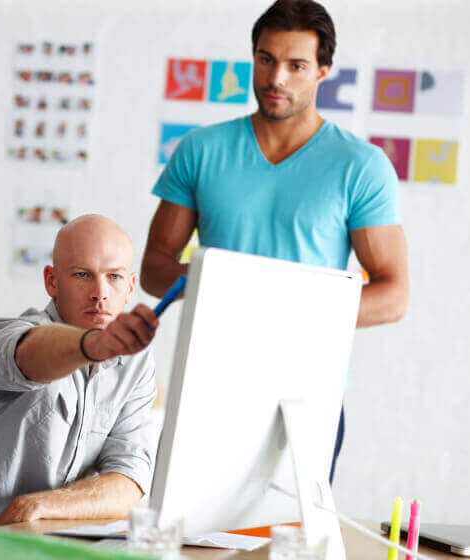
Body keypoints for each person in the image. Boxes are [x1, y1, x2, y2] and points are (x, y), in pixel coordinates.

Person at [140, 0, 409, 482]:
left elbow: (393, 296)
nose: (276, 78)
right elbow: (155, 269)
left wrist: (281, 304)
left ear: (324, 71)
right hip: (210, 383)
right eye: (265, 59)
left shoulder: (361, 167)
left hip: (306, 394)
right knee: (182, 541)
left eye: (296, 65)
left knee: (288, 547)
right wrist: (220, 282)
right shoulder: (200, 151)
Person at [0, 215, 159, 534]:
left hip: (32, 547)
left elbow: (128, 483)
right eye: (83, 275)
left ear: (131, 286)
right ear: (52, 281)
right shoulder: (5, 335)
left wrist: (40, 506)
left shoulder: (136, 363)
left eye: (114, 277)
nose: (100, 293)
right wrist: (94, 344)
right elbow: (29, 356)